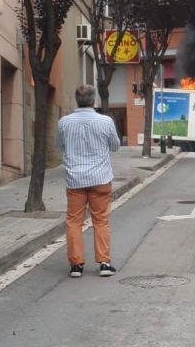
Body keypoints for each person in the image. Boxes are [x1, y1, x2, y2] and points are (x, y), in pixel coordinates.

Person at [58, 84, 121, 278]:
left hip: (75, 179)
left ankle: (76, 265)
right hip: (100, 178)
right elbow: (115, 146)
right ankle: (104, 263)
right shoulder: (106, 121)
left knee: (74, 222)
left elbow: (60, 145)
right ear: (94, 100)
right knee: (101, 221)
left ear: (77, 100)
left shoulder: (64, 122)